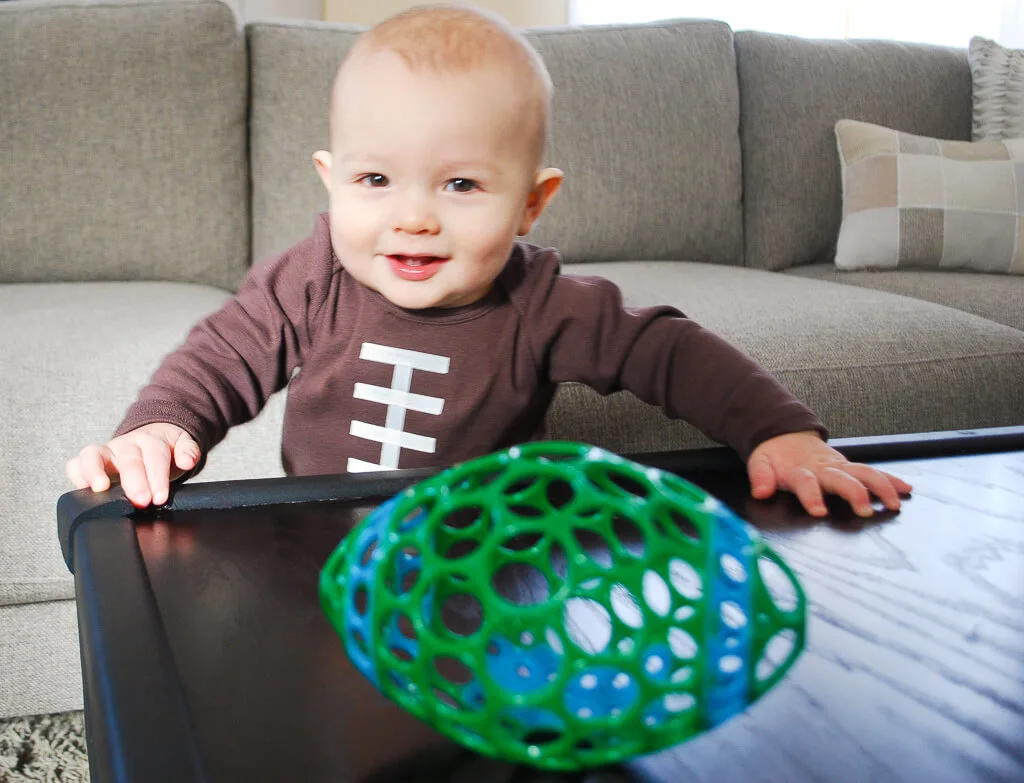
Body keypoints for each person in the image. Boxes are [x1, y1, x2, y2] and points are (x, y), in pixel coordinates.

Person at [66, 4, 911, 517]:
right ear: (331, 183)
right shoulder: (313, 276)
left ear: (531, 203)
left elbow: (668, 349)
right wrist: (160, 427)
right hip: (320, 540)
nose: (414, 217)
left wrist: (779, 431)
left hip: (486, 551)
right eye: (375, 178)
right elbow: (222, 354)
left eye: (461, 182)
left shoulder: (540, 302)